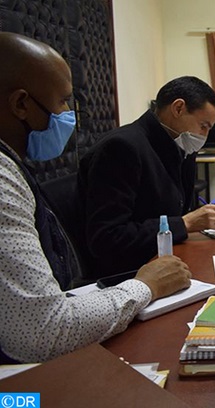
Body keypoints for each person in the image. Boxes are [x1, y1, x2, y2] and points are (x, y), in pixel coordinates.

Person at [0, 32, 192, 363]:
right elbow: (43, 330)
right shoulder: (3, 180)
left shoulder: (12, 164)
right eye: (62, 102)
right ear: (21, 104)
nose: (69, 116)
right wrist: (144, 286)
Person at [78, 76, 215, 276]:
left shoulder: (179, 146)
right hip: (133, 274)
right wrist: (185, 224)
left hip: (166, 259)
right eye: (203, 126)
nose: (204, 136)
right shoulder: (122, 148)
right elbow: (107, 238)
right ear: (178, 108)